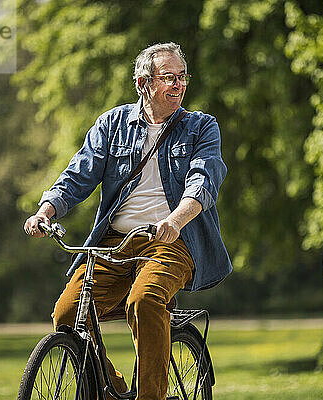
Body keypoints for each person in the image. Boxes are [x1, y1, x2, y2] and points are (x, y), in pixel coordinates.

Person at [24, 42, 232, 400]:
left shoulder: (201, 127)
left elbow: (203, 180)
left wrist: (176, 219)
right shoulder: (112, 124)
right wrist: (47, 209)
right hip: (113, 243)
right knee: (67, 314)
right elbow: (79, 175)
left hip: (171, 242)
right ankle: (113, 389)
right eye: (168, 77)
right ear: (143, 83)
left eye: (183, 77)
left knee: (145, 301)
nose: (179, 85)